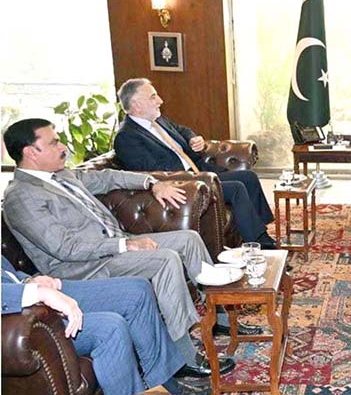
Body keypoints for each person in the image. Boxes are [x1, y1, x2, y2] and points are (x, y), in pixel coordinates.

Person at [2, 118, 235, 379]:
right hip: (83, 268)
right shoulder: (21, 196)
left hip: (113, 247)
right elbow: (65, 248)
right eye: (54, 142)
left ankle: (221, 317)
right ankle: (184, 356)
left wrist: (151, 182)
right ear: (31, 152)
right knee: (165, 260)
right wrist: (125, 245)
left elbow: (107, 178)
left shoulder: (61, 174)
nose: (63, 146)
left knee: (189, 239)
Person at [1, 257, 208, 395]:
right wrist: (37, 293)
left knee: (137, 291)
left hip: (28, 292)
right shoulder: (21, 194)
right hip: (20, 318)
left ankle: (164, 383)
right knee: (111, 328)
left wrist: (30, 280)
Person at [113, 77, 276, 249]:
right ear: (137, 104)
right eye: (153, 97)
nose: (160, 101)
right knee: (236, 188)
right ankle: (262, 245)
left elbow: (183, 130)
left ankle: (259, 230)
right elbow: (149, 172)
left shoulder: (159, 120)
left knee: (248, 177)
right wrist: (191, 176)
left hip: (199, 172)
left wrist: (193, 139)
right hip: (186, 184)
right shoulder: (126, 137)